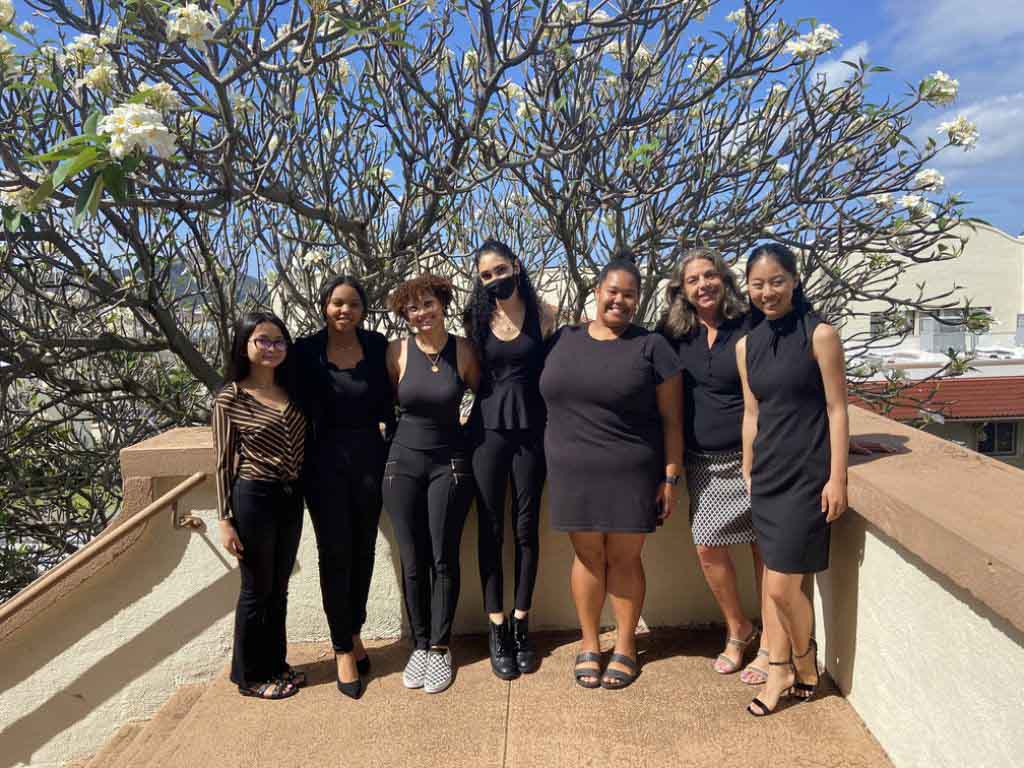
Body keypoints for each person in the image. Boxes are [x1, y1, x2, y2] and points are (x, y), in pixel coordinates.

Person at [540, 257, 683, 690]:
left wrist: (671, 476)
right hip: (571, 471)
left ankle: (624, 645)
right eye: (613, 291)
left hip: (630, 471)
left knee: (623, 558)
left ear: (638, 301)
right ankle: (589, 642)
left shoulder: (652, 346)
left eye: (630, 294)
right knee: (586, 557)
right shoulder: (562, 339)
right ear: (598, 291)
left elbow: (672, 419)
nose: (620, 300)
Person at [735, 243, 850, 716]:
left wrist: (837, 478)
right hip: (767, 475)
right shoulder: (747, 345)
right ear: (748, 287)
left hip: (807, 475)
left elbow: (837, 409)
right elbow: (752, 413)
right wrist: (746, 468)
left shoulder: (820, 334)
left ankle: (798, 659)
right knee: (773, 582)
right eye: (758, 284)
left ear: (795, 280)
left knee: (782, 587)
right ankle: (788, 666)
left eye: (777, 281)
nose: (768, 292)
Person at [657, 247, 769, 682]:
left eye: (710, 276)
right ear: (681, 290)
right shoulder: (673, 333)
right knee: (707, 546)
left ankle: (773, 640)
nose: (703, 285)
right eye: (693, 280)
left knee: (765, 552)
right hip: (703, 462)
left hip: (756, 457)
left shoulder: (750, 325)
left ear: (724, 279)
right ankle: (739, 628)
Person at [294, 275, 394, 700]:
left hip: (370, 459)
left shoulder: (376, 346)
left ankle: (353, 629)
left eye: (352, 304)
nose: (344, 310)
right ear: (324, 306)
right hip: (321, 465)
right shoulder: (304, 352)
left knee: (364, 550)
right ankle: (341, 648)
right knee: (335, 554)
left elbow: (394, 401)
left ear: (363, 310)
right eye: (336, 303)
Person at [463, 240, 557, 680]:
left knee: (525, 528)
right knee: (491, 528)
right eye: (486, 275)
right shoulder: (475, 318)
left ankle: (522, 622)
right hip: (487, 433)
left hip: (533, 432)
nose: (495, 279)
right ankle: (496, 626)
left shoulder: (545, 312)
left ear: (516, 265)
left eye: (500, 269)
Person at [383, 274, 481, 694]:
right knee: (412, 560)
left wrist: (464, 432)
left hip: (450, 465)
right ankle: (419, 645)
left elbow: (486, 398)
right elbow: (383, 405)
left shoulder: (464, 350)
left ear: (442, 304)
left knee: (443, 559)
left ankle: (441, 647)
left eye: (427, 304)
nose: (421, 314)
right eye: (412, 309)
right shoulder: (396, 352)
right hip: (402, 465)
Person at [213, 311, 306, 700]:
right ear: (245, 345)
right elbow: (221, 461)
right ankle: (249, 676)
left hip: (290, 496)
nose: (271, 348)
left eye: (278, 341)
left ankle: (275, 664)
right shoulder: (230, 398)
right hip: (254, 496)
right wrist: (224, 520)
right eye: (262, 341)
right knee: (256, 588)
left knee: (279, 588)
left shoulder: (293, 390)